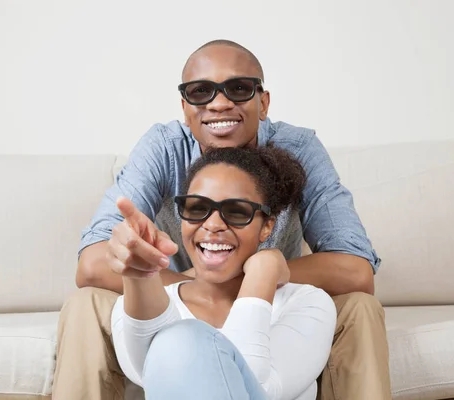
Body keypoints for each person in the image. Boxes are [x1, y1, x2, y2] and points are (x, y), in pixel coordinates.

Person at [52, 39, 391, 400]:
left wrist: (262, 274)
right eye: (201, 91)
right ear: (185, 107)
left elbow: (356, 271)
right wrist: (197, 284)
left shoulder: (299, 148)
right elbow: (91, 265)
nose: (219, 102)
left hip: (274, 300)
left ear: (264, 102)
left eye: (239, 88)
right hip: (178, 298)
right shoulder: (165, 147)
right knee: (85, 303)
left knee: (360, 308)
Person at [112, 145, 337, 400]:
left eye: (237, 212)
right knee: (176, 340)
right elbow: (152, 366)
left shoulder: (308, 303)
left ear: (267, 227)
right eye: (197, 208)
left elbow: (256, 388)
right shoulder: (130, 307)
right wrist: (140, 274)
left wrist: (264, 270)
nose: (213, 224)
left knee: (181, 338)